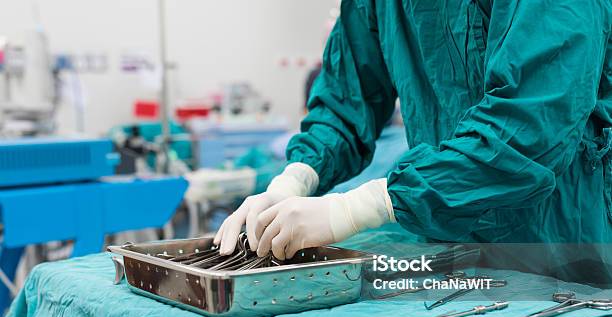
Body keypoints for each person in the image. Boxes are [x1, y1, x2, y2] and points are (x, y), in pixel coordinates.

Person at [215, 0, 612, 261]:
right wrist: (295, 178)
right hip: (447, 237)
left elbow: (531, 129)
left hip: (566, 243)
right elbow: (347, 98)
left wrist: (365, 205)